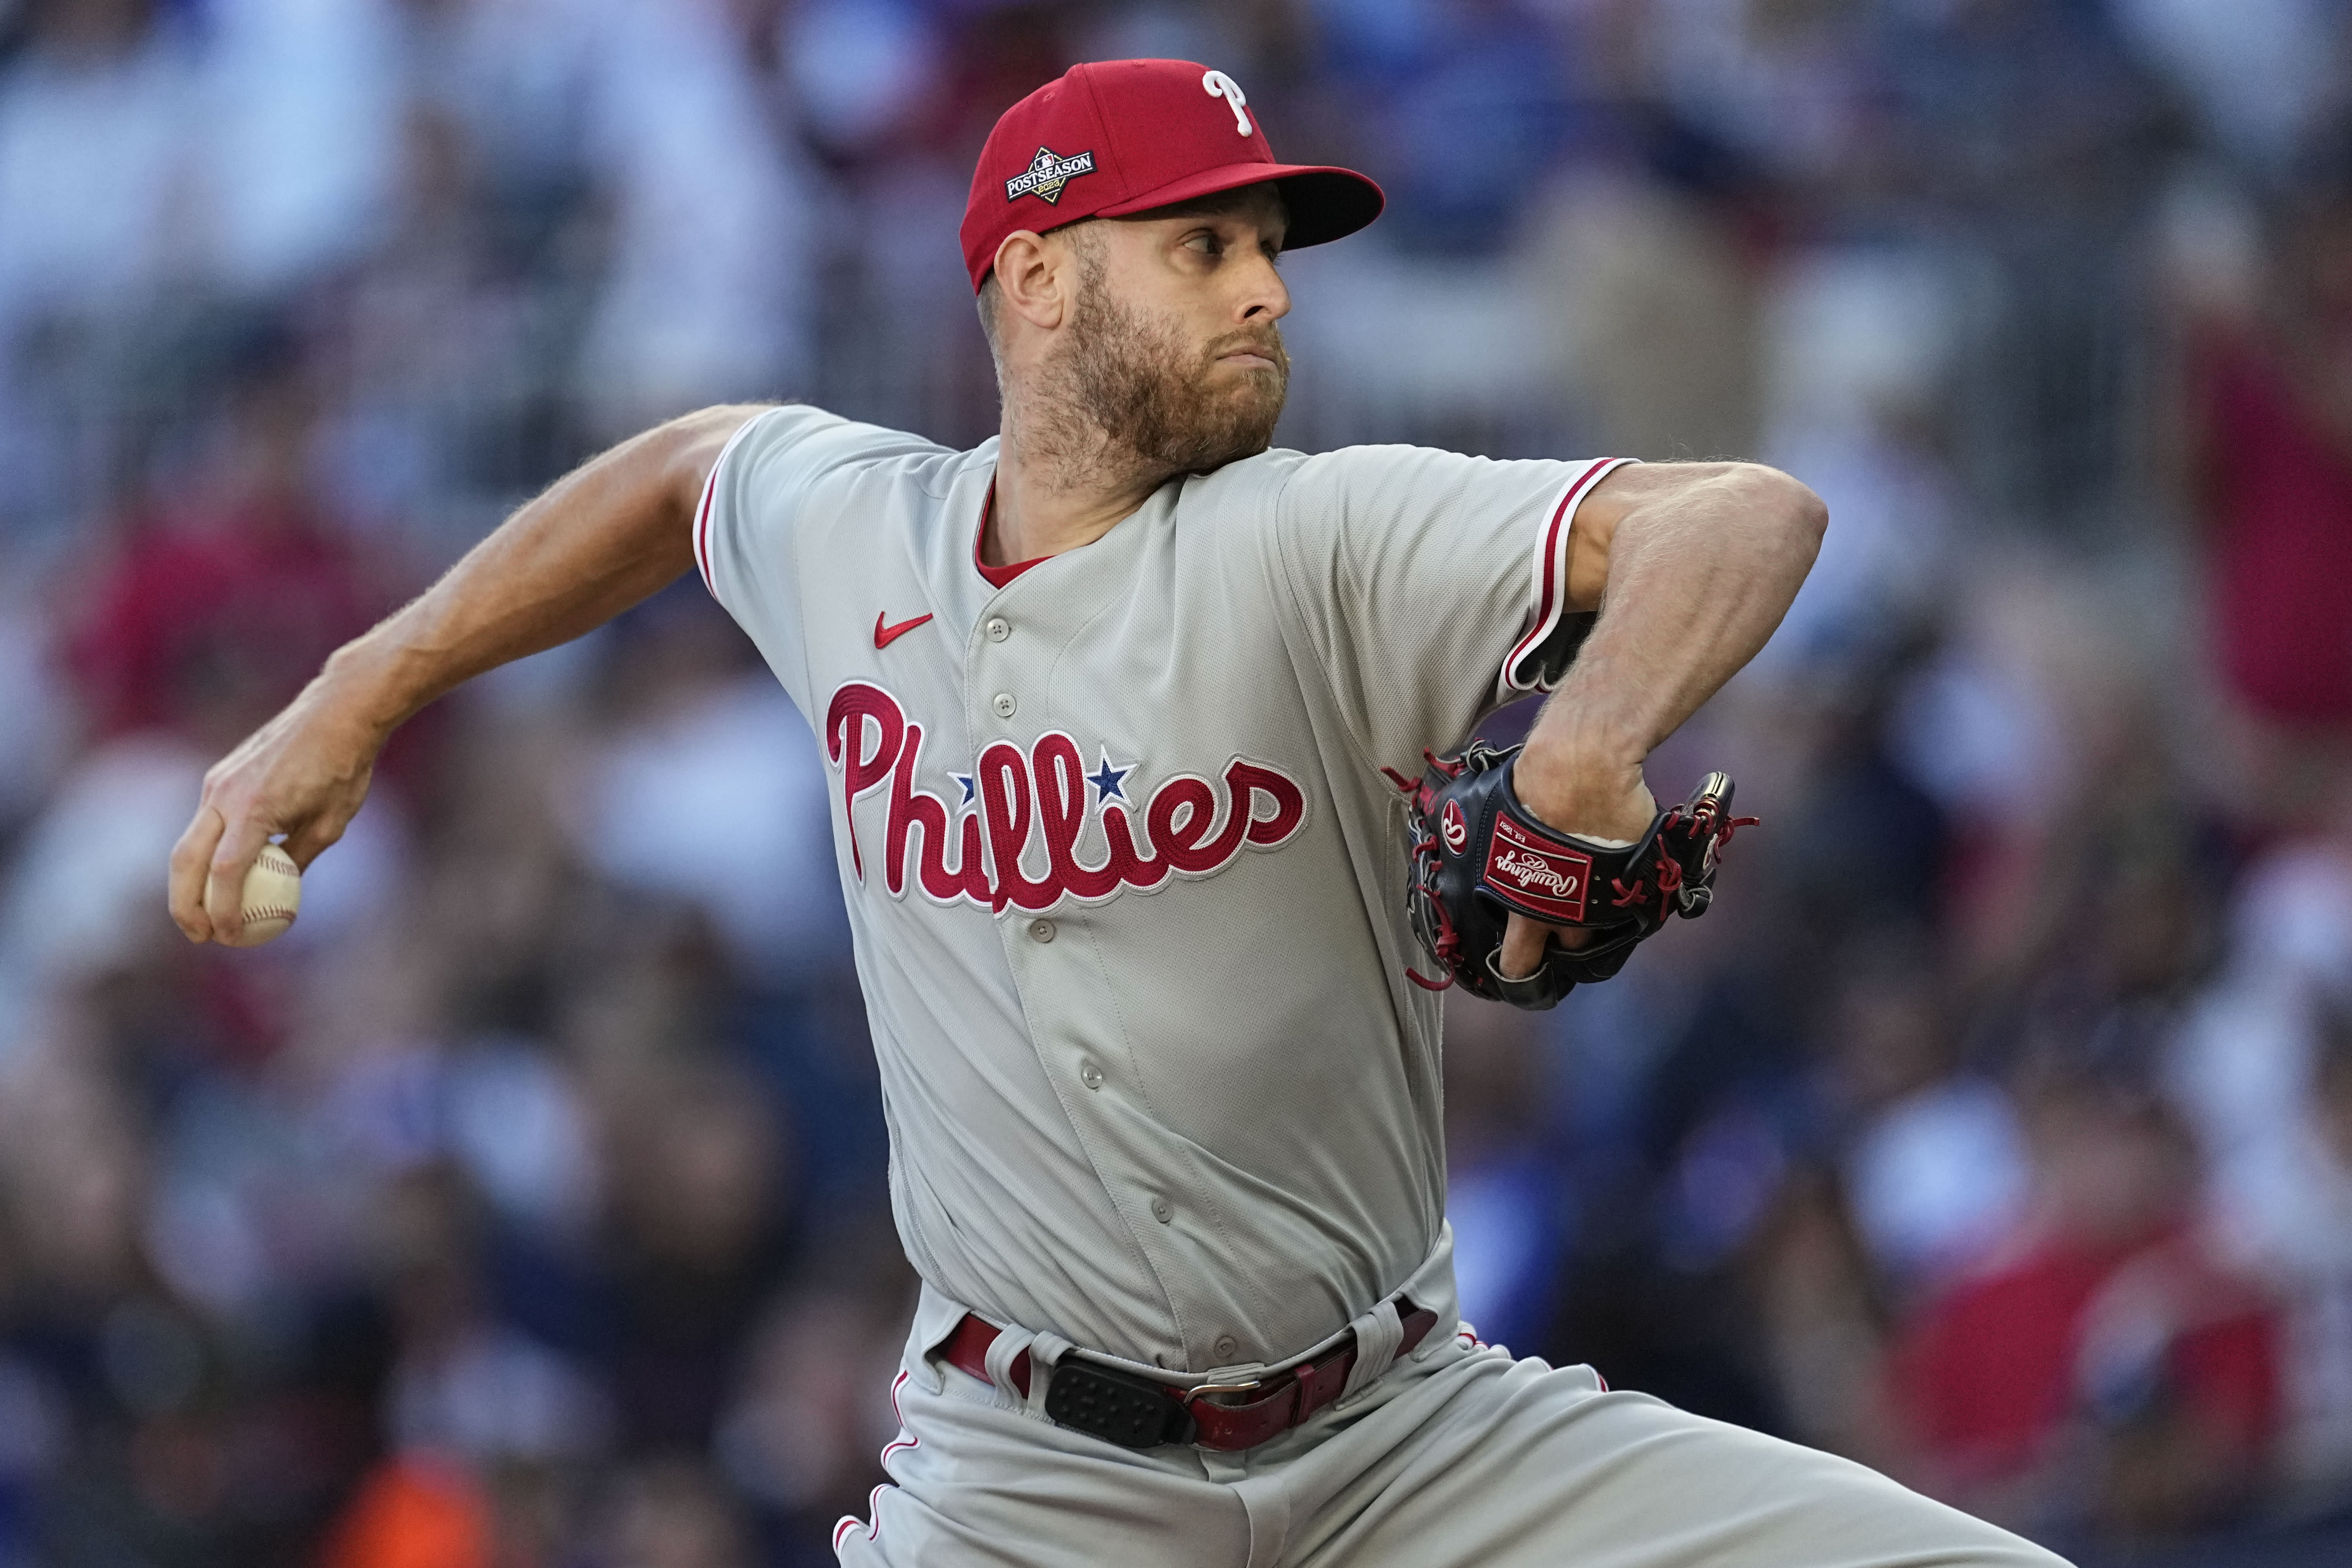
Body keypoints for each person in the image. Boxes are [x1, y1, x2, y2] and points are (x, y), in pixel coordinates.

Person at [170, 58, 2064, 1568]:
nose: (1265, 289)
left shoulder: (1309, 533)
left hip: (1416, 1448)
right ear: (1041, 274)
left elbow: (1742, 516)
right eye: (1206, 245)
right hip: (1029, 1493)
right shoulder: (859, 528)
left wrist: (1581, 741)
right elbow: (679, 475)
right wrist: (354, 694)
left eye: (1270, 249)